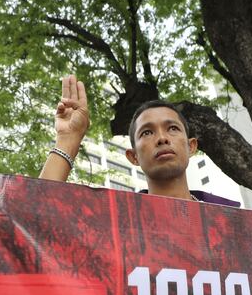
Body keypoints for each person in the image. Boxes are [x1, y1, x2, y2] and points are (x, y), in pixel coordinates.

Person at [39, 75, 239, 206]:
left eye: (172, 128)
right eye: (147, 133)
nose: (162, 138)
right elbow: (39, 219)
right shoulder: (116, 219)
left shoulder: (233, 220)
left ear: (191, 146)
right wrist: (68, 139)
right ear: (133, 156)